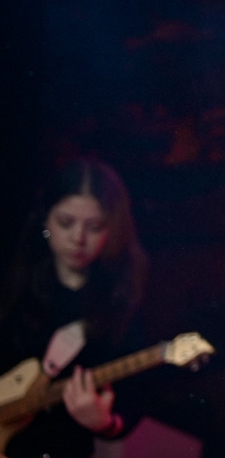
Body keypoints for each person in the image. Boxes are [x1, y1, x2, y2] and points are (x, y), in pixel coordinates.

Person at [0, 159, 149, 458]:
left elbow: (133, 404)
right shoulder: (11, 285)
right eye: (65, 223)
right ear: (45, 221)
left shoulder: (122, 305)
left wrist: (105, 423)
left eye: (94, 227)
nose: (78, 238)